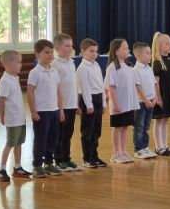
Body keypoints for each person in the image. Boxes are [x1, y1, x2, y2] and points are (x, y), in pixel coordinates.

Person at [27, 39, 64, 178]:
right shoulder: (35, 72)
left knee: (53, 138)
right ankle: (37, 165)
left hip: (54, 110)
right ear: (37, 54)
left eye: (51, 52)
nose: (50, 55)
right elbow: (30, 93)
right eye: (46, 52)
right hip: (42, 112)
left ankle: (49, 163)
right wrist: (33, 112)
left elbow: (58, 91)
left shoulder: (54, 71)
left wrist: (61, 110)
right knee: (40, 139)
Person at [0, 50, 32, 182]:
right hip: (12, 119)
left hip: (20, 118)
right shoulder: (5, 80)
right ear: (8, 63)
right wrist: (2, 117)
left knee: (19, 143)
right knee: (10, 143)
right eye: (18, 62)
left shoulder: (14, 78)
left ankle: (17, 167)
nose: (20, 65)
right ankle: (1, 170)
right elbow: (2, 100)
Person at [52, 33, 82, 172]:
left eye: (71, 45)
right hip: (61, 106)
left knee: (68, 134)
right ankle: (58, 160)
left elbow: (73, 85)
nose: (71, 48)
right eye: (67, 46)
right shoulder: (55, 64)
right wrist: (60, 108)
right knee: (60, 134)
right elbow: (55, 88)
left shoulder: (71, 62)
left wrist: (76, 104)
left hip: (71, 105)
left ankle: (66, 159)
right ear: (58, 48)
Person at [75, 38, 107, 168]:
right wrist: (89, 105)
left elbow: (101, 85)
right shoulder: (82, 68)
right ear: (83, 52)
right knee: (88, 130)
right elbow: (85, 88)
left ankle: (94, 156)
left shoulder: (96, 65)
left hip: (98, 98)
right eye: (91, 51)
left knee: (96, 130)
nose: (95, 54)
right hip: (88, 100)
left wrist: (104, 103)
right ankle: (87, 158)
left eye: (96, 51)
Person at [105, 38, 136, 163]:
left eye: (128, 48)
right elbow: (111, 88)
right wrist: (115, 104)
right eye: (125, 48)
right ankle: (116, 153)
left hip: (128, 104)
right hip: (118, 105)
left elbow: (131, 87)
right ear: (116, 51)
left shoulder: (128, 66)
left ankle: (123, 151)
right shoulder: (112, 67)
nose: (128, 50)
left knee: (125, 127)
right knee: (117, 128)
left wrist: (133, 104)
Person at [132, 41, 157, 159]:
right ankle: (138, 149)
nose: (150, 55)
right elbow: (137, 87)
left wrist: (155, 97)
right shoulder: (135, 70)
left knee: (146, 126)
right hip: (141, 103)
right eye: (147, 53)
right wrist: (146, 100)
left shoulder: (149, 68)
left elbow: (154, 83)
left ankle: (145, 147)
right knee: (139, 126)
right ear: (139, 56)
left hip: (150, 101)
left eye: (150, 53)